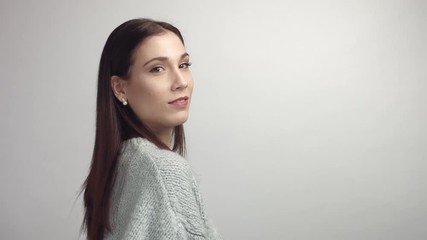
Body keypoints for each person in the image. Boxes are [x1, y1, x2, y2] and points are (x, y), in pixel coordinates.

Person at [82, 18, 222, 240]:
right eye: (157, 69)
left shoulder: (118, 166)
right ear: (119, 88)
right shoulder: (163, 170)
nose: (180, 82)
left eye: (184, 65)